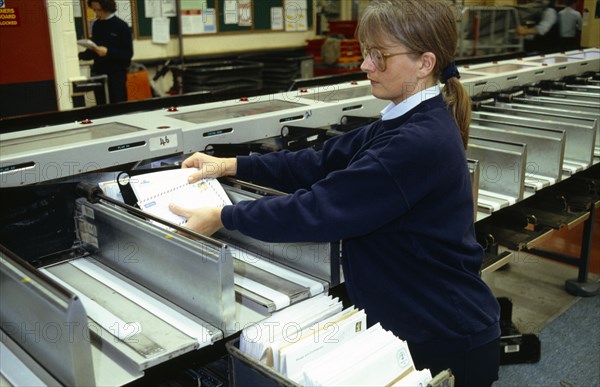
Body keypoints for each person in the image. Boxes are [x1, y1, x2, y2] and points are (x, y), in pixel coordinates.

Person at [170, 0, 501, 385]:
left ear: (424, 64)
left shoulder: (417, 142)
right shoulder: (401, 121)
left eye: (380, 56)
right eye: (366, 54)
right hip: (419, 319)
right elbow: (317, 162)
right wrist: (229, 165)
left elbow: (320, 208)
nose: (365, 66)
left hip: (443, 334)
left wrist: (224, 217)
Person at [78, 0, 133, 104]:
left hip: (116, 76)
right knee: (101, 107)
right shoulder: (97, 25)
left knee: (117, 108)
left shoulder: (121, 26)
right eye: (94, 10)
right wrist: (79, 55)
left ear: (108, 8)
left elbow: (127, 54)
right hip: (99, 73)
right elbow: (94, 49)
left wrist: (108, 52)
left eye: (99, 10)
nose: (96, 13)